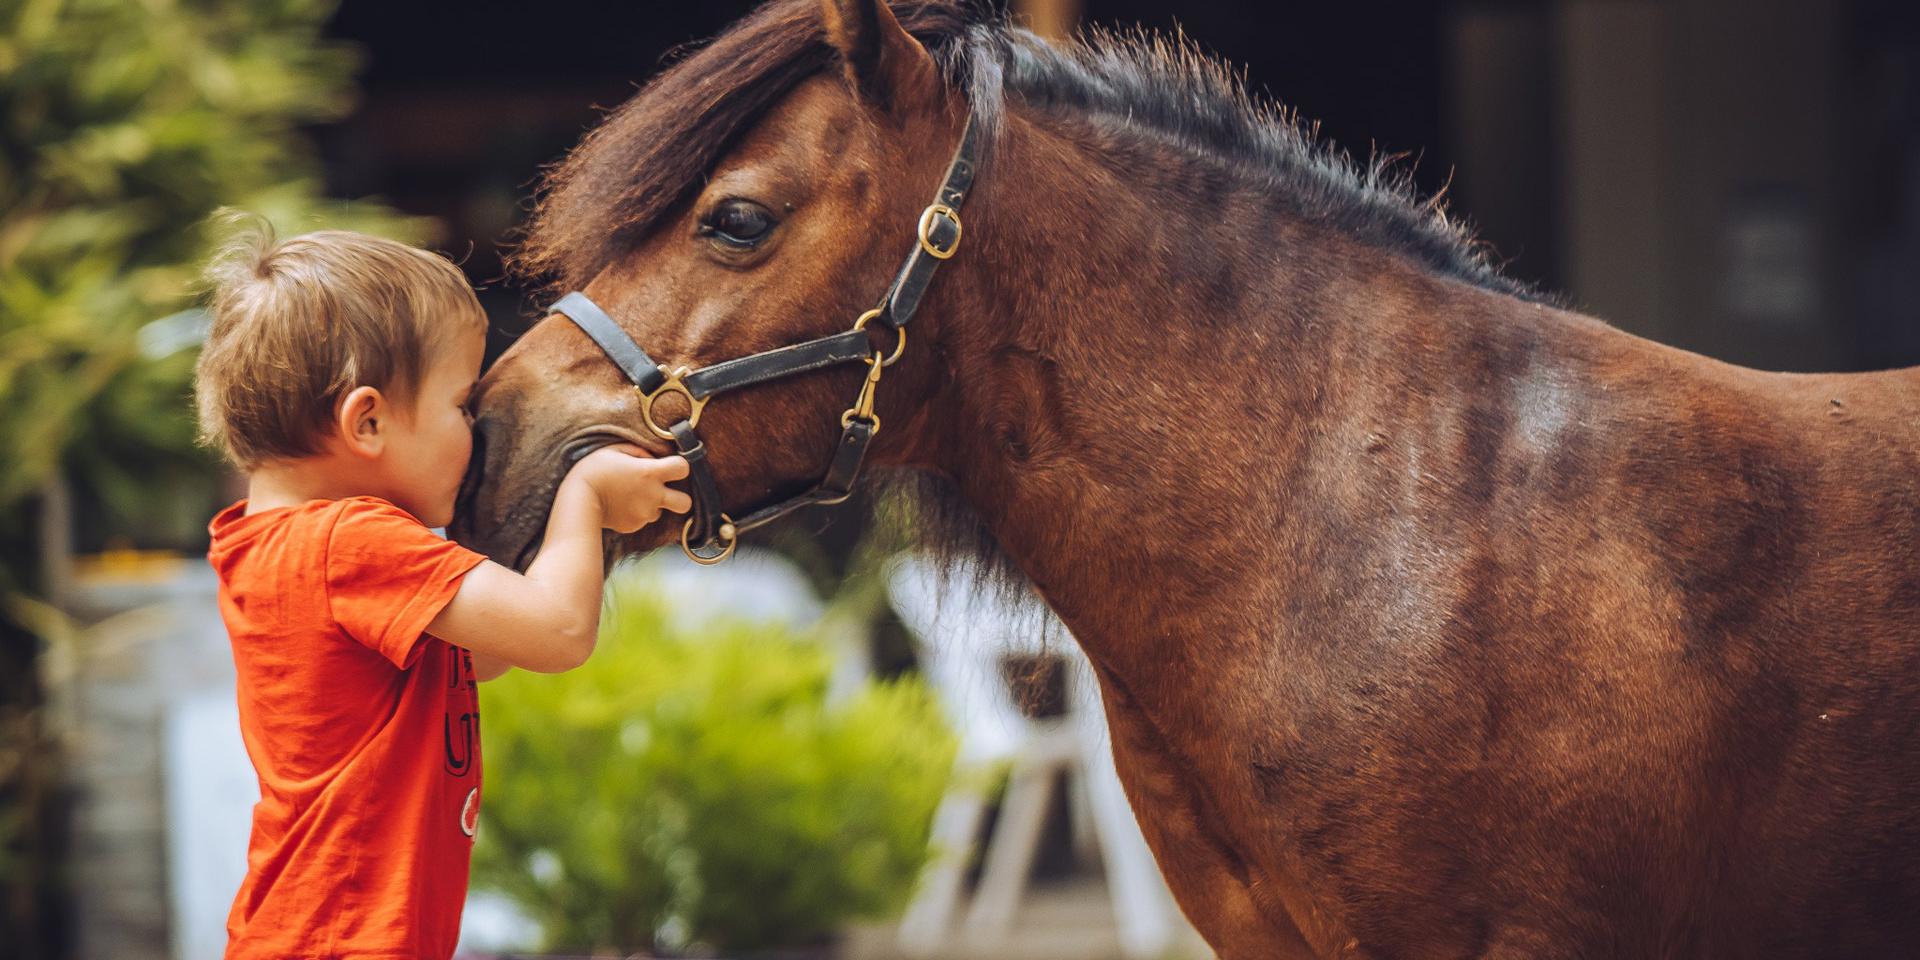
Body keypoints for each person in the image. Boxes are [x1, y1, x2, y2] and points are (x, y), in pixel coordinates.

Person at [193, 222, 687, 959]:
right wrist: (583, 496)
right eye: (462, 406)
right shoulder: (348, 543)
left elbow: (486, 653)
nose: (478, 432)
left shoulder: (277, 546)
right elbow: (555, 633)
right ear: (367, 421)